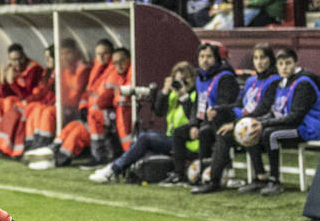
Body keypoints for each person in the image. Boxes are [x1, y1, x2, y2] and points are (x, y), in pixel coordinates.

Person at [90, 61, 198, 183]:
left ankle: (114, 169)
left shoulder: (194, 95)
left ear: (193, 79)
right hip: (172, 138)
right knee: (142, 136)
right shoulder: (173, 96)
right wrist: (164, 92)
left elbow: (193, 118)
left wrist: (184, 96)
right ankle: (121, 169)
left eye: (185, 79)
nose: (181, 83)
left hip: (188, 142)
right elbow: (158, 112)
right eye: (178, 80)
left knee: (146, 138)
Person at [193, 44, 280, 194]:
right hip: (245, 120)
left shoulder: (274, 80)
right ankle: (214, 180)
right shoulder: (250, 81)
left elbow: (263, 109)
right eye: (256, 58)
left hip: (263, 121)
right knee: (223, 132)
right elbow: (239, 104)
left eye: (263, 58)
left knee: (245, 129)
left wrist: (234, 124)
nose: (259, 62)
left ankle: (261, 177)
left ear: (270, 60)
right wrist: (217, 110)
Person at [240, 47, 320, 196]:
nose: (284, 67)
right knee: (250, 130)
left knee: (270, 134)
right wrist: (256, 121)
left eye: (288, 63)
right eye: (281, 64)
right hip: (292, 125)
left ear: (295, 63)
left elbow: (295, 117)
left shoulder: (303, 83)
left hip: (307, 128)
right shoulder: (282, 83)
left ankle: (275, 181)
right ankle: (259, 178)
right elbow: (276, 111)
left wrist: (264, 124)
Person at [169, 42, 238, 186]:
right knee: (179, 132)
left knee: (205, 131)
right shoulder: (201, 77)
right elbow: (197, 105)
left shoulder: (225, 77)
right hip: (205, 120)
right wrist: (194, 124)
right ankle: (179, 174)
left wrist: (210, 116)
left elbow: (226, 104)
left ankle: (207, 175)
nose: (204, 60)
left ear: (217, 59)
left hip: (222, 120)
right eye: (201, 56)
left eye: (209, 57)